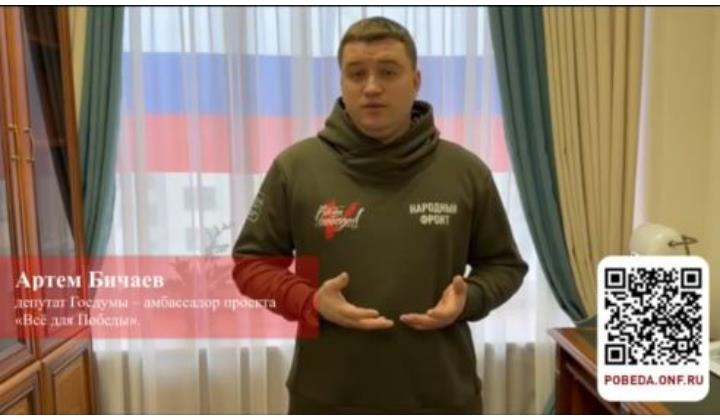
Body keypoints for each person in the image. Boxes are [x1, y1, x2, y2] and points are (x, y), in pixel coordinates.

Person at [232, 16, 528, 414]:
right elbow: (251, 265)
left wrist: (469, 299)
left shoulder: (465, 171)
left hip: (442, 397)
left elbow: (505, 265)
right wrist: (310, 300)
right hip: (327, 399)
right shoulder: (295, 168)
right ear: (342, 82)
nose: (371, 87)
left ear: (416, 81)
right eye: (357, 74)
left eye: (388, 72)